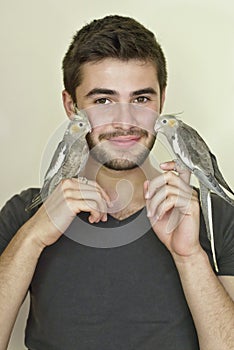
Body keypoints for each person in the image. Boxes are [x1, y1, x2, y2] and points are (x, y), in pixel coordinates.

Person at [0, 14, 233, 350]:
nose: (125, 121)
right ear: (71, 106)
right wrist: (34, 237)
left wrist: (190, 257)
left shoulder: (215, 217)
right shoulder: (25, 214)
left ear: (161, 102)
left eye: (141, 99)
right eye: (103, 101)